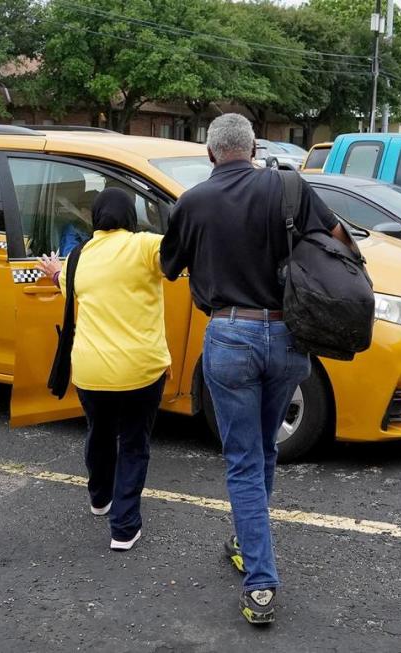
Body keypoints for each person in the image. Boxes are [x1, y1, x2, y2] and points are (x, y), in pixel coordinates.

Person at [160, 114, 349, 625]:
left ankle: (261, 582)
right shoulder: (287, 185)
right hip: (289, 336)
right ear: (251, 148)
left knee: (243, 459)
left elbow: (168, 266)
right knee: (263, 448)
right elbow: (340, 237)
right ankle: (245, 541)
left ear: (211, 153)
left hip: (229, 336)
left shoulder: (193, 202)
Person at [36, 187, 170, 552]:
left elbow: (66, 286)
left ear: (96, 218)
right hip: (142, 369)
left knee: (100, 432)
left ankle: (99, 498)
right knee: (133, 443)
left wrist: (52, 272)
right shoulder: (144, 246)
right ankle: (124, 529)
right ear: (129, 217)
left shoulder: (78, 257)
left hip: (91, 371)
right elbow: (178, 253)